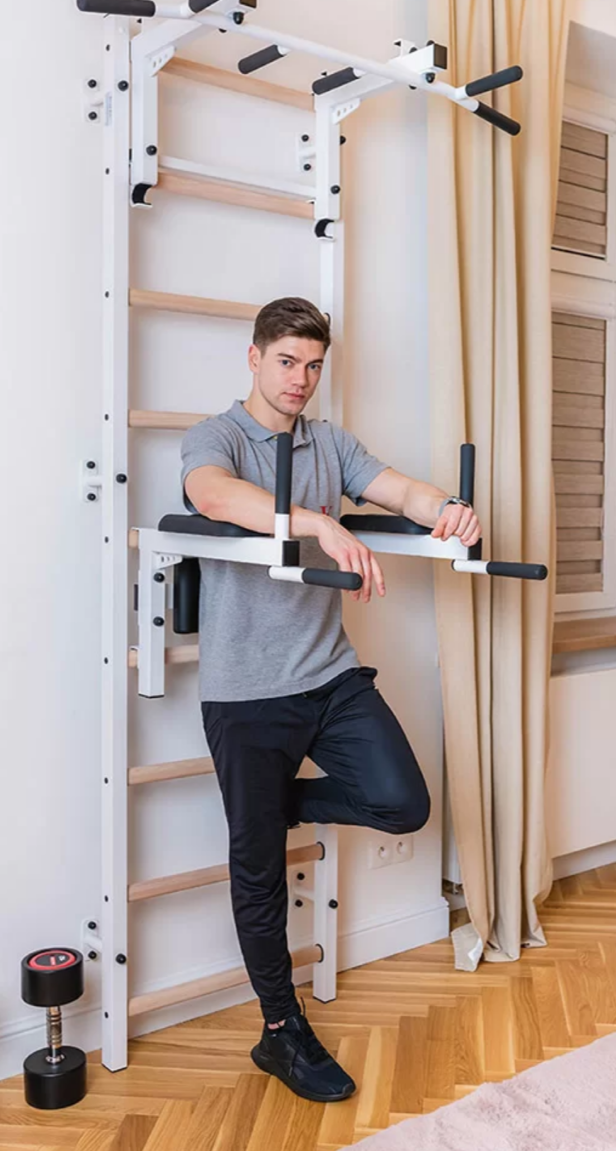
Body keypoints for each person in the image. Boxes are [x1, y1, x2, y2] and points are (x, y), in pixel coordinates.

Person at [180, 296, 483, 1103]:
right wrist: (317, 522)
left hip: (330, 676)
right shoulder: (220, 437)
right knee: (259, 874)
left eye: (313, 365)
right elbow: (212, 496)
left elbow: (400, 490)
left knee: (402, 800)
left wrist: (445, 511)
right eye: (286, 362)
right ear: (254, 358)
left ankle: (286, 803)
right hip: (246, 696)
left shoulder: (330, 442)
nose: (300, 380)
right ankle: (281, 1033)